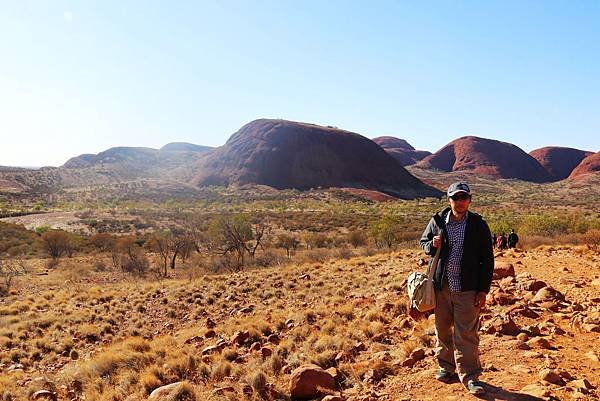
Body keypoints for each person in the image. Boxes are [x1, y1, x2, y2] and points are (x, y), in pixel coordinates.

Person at [420, 182, 494, 395]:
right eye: (456, 198)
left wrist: (483, 290)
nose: (460, 202)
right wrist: (431, 245)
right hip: (441, 288)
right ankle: (446, 367)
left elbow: (487, 260)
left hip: (467, 289)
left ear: (470, 200)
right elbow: (423, 243)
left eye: (464, 198)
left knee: (467, 334)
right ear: (449, 200)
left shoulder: (478, 225)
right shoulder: (437, 222)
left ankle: (470, 376)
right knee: (442, 330)